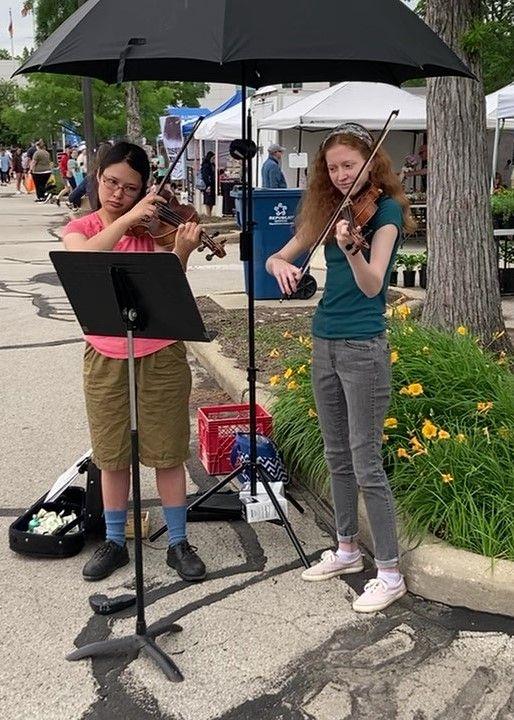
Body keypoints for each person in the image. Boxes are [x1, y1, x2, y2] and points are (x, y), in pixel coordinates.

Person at [266, 122, 416, 613]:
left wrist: (352, 249)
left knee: (366, 460)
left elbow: (374, 285)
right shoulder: (328, 209)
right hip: (325, 339)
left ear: (371, 163)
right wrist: (280, 266)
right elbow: (278, 256)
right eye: (332, 168)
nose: (340, 175)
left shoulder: (386, 211)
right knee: (336, 454)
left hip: (362, 344)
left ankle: (389, 571)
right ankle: (347, 549)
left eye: (349, 165)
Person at [62, 141, 207, 583]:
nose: (118, 194)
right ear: (98, 178)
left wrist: (180, 250)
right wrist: (126, 220)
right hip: (105, 356)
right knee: (111, 454)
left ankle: (178, 541)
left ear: (144, 188)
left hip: (159, 354)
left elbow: (168, 289)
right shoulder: (80, 227)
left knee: (167, 450)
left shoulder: (152, 234)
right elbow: (80, 258)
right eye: (111, 183)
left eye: (130, 188)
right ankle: (112, 540)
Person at [200, 151, 216, 217]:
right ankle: (208, 214)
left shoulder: (212, 165)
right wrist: (208, 185)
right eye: (213, 158)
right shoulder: (206, 165)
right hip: (208, 184)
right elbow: (205, 176)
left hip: (212, 184)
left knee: (211, 200)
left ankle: (210, 213)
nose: (214, 159)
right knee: (208, 200)